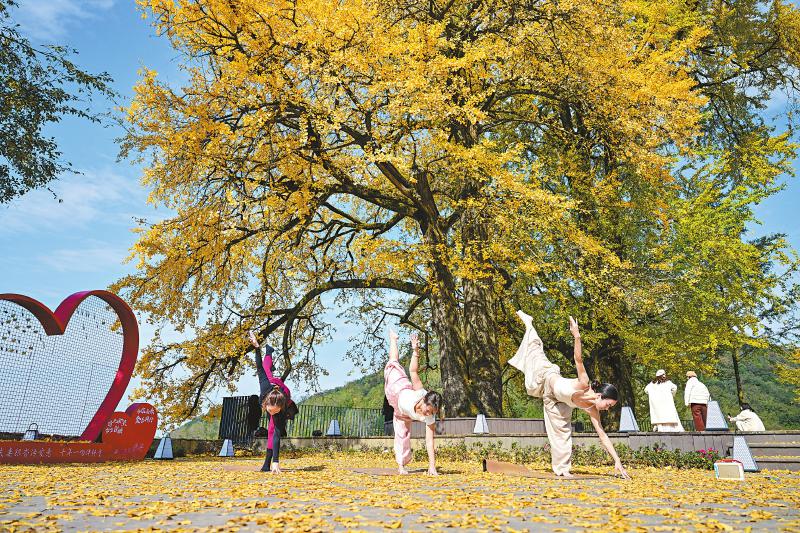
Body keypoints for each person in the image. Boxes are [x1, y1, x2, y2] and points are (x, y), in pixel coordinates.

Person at [508, 311, 631, 479]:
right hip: (547, 378)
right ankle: (529, 324)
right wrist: (577, 336)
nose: (607, 409)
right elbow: (578, 359)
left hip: (556, 401)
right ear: (600, 396)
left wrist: (617, 460)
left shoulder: (592, 409)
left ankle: (562, 469)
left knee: (563, 433)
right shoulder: (584, 383)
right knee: (535, 352)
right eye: (608, 405)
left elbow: (602, 435)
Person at [383, 329, 442, 475]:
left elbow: (430, 441)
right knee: (393, 363)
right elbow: (413, 371)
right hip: (397, 387)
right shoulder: (420, 392)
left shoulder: (430, 417)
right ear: (424, 400)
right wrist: (415, 351)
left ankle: (401, 466)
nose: (428, 414)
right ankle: (393, 338)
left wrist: (432, 466)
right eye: (428, 410)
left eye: (432, 413)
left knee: (403, 436)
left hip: (402, 414)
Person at [249, 330, 298, 473]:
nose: (271, 413)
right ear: (266, 404)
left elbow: (276, 435)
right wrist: (256, 347)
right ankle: (269, 352)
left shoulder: (282, 406)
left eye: (274, 412)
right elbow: (259, 367)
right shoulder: (264, 387)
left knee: (272, 430)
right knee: (265, 369)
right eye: (270, 411)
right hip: (272, 384)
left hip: (283, 392)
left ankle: (267, 463)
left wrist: (276, 462)